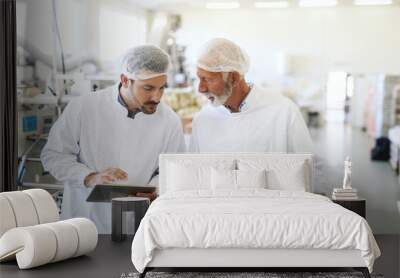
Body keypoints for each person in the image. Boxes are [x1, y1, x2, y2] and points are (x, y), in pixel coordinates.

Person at [41, 45, 186, 233]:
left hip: (136, 224)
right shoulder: (84, 108)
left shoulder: (170, 121)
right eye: (148, 88)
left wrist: (154, 188)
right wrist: (89, 177)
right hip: (83, 221)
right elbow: (53, 155)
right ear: (125, 80)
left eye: (161, 88)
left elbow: (173, 169)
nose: (156, 97)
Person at [189, 38, 313, 153]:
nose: (201, 88)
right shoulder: (202, 120)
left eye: (208, 79)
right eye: (199, 79)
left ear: (234, 78)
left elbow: (305, 168)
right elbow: (194, 171)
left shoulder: (284, 112)